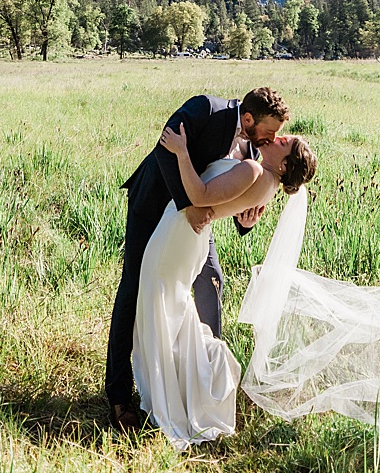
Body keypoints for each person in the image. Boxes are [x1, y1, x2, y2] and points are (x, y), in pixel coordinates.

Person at [105, 87, 285, 433]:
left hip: (194, 223)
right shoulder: (205, 109)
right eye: (270, 131)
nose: (273, 138)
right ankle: (118, 397)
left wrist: (244, 220)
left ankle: (202, 378)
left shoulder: (251, 145)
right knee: (134, 289)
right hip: (157, 204)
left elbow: (228, 189)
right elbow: (165, 146)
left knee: (211, 280)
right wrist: (189, 206)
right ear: (248, 119)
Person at [131, 119, 315, 448]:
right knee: (167, 309)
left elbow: (199, 197)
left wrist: (181, 151)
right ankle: (183, 386)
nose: (278, 136)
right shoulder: (264, 177)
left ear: (284, 164)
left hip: (182, 233)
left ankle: (179, 393)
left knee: (160, 307)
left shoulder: (255, 172)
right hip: (187, 236)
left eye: (285, 141)